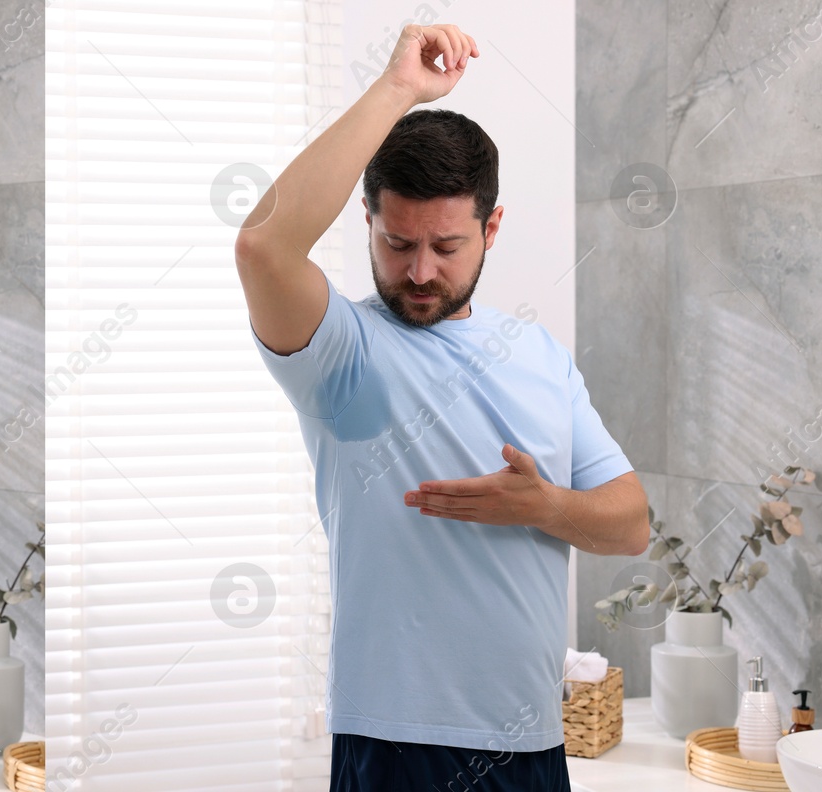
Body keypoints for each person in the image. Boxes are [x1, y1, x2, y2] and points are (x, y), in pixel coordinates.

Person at [232, 23, 649, 792]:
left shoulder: (538, 354)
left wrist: (544, 506)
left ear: (491, 228)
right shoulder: (343, 354)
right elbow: (262, 246)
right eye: (396, 243)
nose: (418, 271)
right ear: (367, 221)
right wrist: (396, 90)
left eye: (447, 247)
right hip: (398, 746)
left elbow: (630, 523)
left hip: (532, 740)